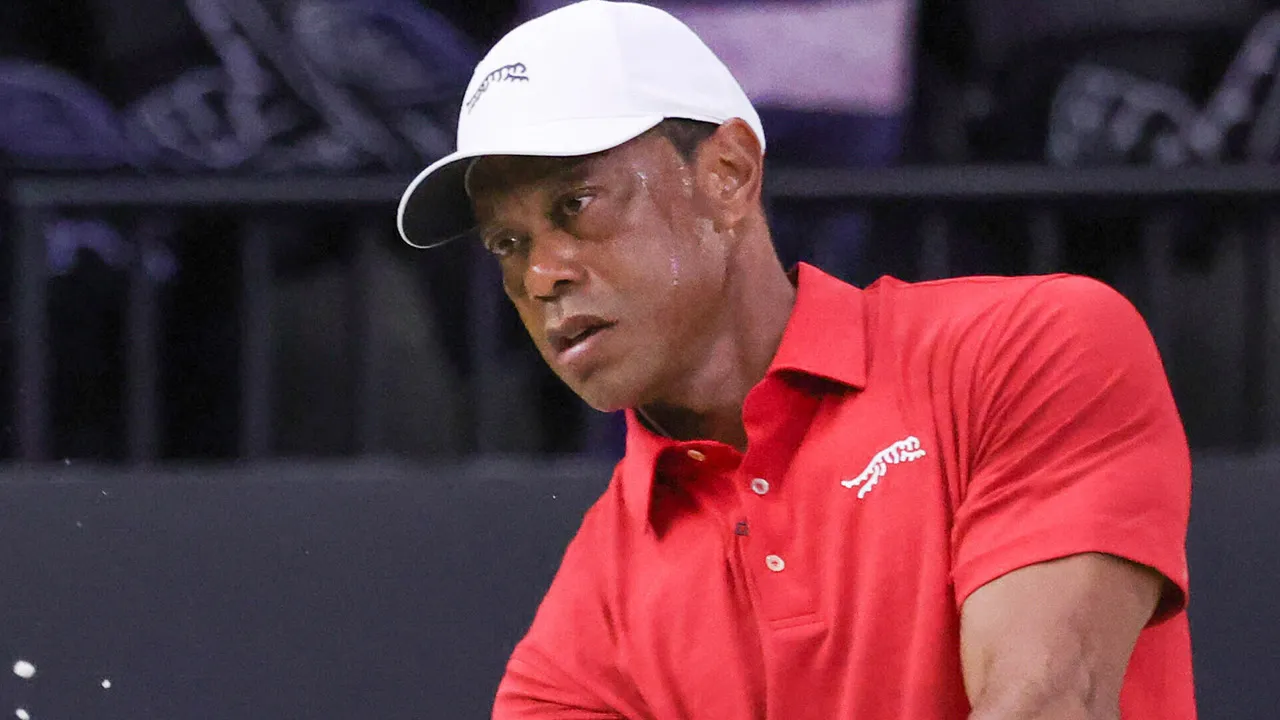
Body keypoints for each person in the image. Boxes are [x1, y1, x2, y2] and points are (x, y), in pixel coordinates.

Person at [395, 2, 1196, 718]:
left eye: (576, 204)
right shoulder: (583, 622)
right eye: (509, 243)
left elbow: (1048, 706)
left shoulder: (1029, 345)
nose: (541, 276)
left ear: (729, 175)